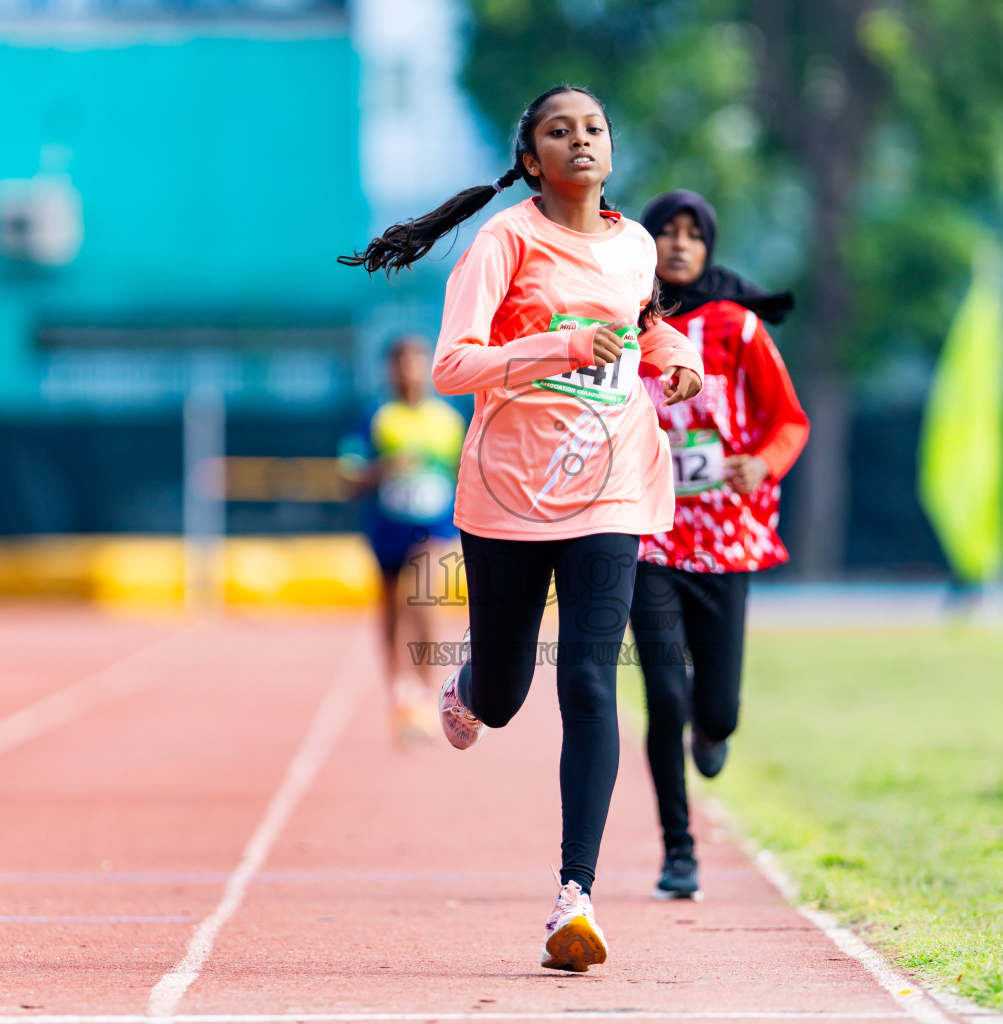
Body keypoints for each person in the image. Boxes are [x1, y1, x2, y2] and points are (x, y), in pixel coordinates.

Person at [341, 85, 704, 972]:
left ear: (610, 151)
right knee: (504, 695)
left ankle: (574, 897)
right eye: (559, 130)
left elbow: (644, 326)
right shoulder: (506, 241)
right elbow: (454, 366)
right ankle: (468, 686)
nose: (581, 140)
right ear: (531, 157)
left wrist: (677, 359)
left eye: (595, 128)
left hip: (611, 489)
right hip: (508, 494)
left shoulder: (633, 247)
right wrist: (557, 348)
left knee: (588, 679)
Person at [629, 191, 809, 900]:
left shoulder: (736, 328)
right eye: (664, 233)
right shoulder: (625, 323)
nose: (678, 245)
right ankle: (679, 851)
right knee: (664, 697)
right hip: (646, 537)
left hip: (725, 540)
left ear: (708, 246)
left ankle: (713, 732)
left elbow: (789, 421)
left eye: (691, 234)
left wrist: (763, 463)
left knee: (717, 711)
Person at [339, 335, 466, 744]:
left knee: (427, 595)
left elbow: (466, 470)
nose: (409, 370)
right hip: (386, 528)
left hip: (434, 527)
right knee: (391, 612)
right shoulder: (374, 418)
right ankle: (400, 687)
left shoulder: (449, 419)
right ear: (389, 370)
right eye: (400, 362)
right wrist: (385, 467)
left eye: (416, 360)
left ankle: (426, 690)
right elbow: (349, 476)